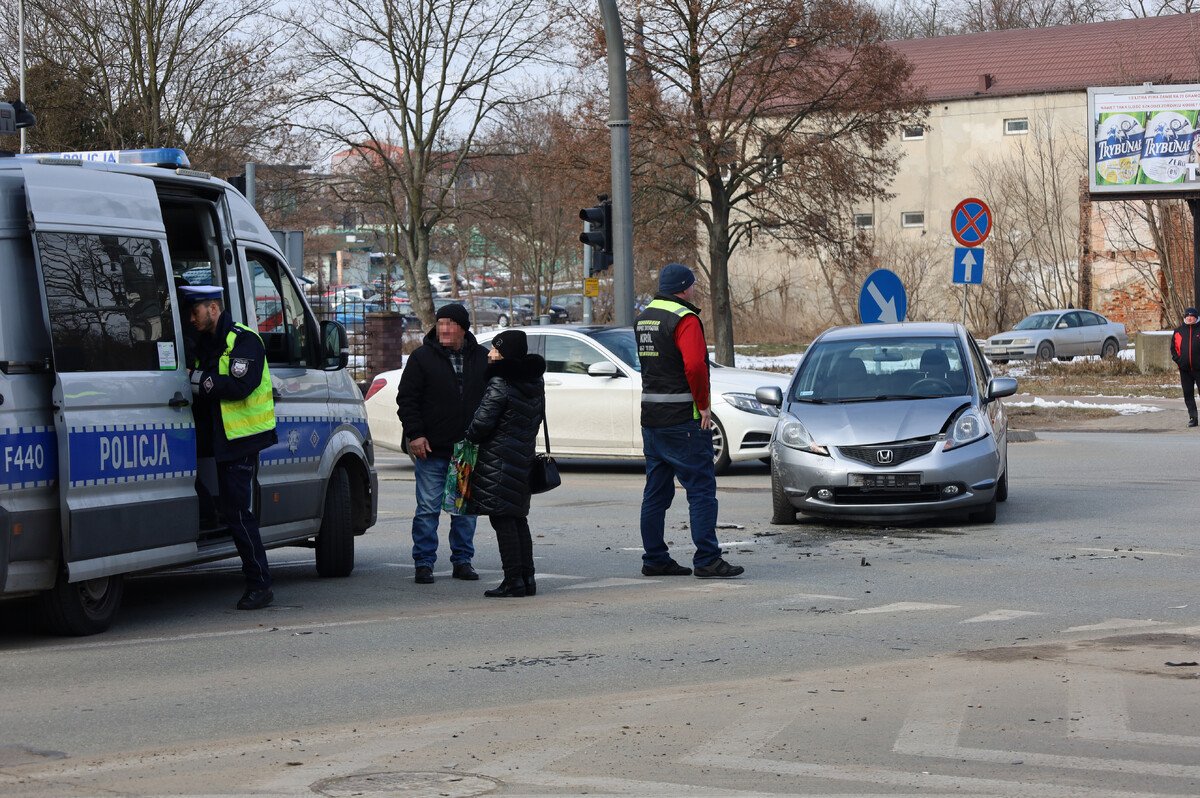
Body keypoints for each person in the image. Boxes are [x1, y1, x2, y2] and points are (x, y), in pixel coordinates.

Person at [635, 263, 744, 579]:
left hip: (652, 419)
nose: (695, 290)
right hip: (683, 420)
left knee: (656, 491)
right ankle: (708, 559)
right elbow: (695, 366)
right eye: (693, 285)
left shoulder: (644, 318)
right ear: (684, 287)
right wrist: (704, 405)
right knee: (701, 489)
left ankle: (655, 557)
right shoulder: (685, 318)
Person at [181, 285, 278, 610]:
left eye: (195, 312)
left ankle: (259, 584)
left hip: (241, 440)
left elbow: (238, 386)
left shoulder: (243, 339)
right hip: (215, 437)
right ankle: (208, 514)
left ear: (212, 307)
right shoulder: (204, 342)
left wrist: (201, 380)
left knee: (238, 513)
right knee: (198, 489)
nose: (191, 319)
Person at [396, 303, 488, 583]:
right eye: (441, 323)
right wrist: (415, 434)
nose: (444, 329)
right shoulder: (421, 358)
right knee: (427, 509)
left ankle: (462, 561)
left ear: (463, 328)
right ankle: (423, 562)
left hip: (466, 450)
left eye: (451, 323)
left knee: (464, 511)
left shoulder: (482, 358)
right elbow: (407, 400)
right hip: (431, 449)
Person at [463, 329, 546, 598]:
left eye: (495, 350)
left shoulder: (501, 382)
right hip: (522, 457)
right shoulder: (534, 382)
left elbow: (482, 423)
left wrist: (469, 436)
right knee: (518, 518)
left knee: (503, 520)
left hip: (497, 461)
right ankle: (527, 578)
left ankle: (513, 581)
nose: (490, 354)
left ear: (506, 354)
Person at [1172, 306, 1200, 427]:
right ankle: (1193, 418)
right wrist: (1179, 361)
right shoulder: (1178, 331)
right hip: (1185, 370)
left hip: (1199, 369)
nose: (1189, 318)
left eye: (1192, 316)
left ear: (1196, 318)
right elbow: (1173, 349)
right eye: (1187, 316)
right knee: (1188, 394)